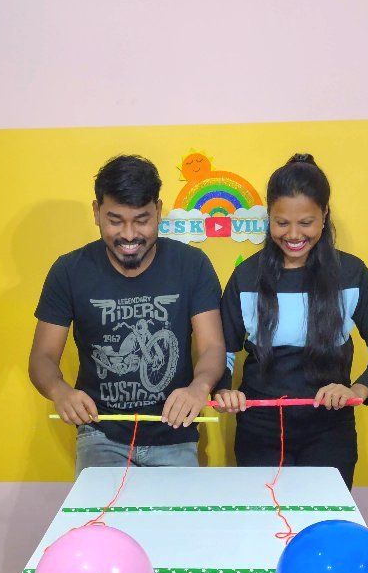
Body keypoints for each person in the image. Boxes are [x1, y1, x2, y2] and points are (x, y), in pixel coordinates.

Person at [214, 153, 368, 489]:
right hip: (259, 431)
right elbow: (222, 352)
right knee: (262, 529)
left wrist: (357, 389)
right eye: (281, 222)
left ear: (324, 215)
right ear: (269, 218)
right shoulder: (246, 277)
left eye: (306, 222)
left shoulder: (352, 273)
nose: (293, 234)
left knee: (323, 527)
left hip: (330, 432)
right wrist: (223, 390)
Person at [29, 154, 225, 476]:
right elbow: (42, 357)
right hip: (101, 435)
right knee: (104, 525)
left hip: (176, 434)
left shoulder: (192, 265)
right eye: (115, 220)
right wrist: (59, 391)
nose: (130, 235)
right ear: (96, 212)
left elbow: (212, 347)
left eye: (142, 220)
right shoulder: (69, 271)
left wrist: (199, 386)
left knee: (177, 527)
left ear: (159, 211)